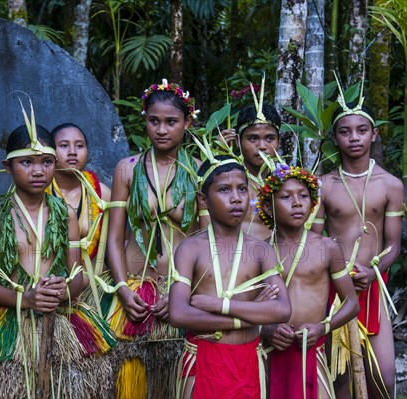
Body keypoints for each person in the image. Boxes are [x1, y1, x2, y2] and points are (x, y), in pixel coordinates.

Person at [0, 110, 116, 398]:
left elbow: (79, 277)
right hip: (10, 317)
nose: (38, 171)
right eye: (27, 162)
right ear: (8, 167)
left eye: (46, 162)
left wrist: (63, 290)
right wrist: (26, 299)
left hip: (60, 317)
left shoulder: (67, 216)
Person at [106, 79, 205, 398]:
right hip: (136, 289)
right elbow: (115, 238)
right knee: (132, 380)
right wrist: (122, 288)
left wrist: (183, 294)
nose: (162, 129)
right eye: (154, 121)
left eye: (171, 122)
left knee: (177, 380)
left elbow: (207, 242)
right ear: (145, 120)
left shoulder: (200, 171)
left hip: (182, 291)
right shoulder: (128, 170)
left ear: (187, 123)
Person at [169, 155, 291, 399]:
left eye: (242, 189)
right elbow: (178, 313)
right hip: (203, 358)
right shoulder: (191, 249)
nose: (236, 198)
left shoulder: (261, 250)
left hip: (248, 360)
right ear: (203, 199)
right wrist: (250, 315)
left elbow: (282, 310)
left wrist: (221, 305)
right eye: (224, 190)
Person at [313, 97, 404, 398]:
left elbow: (393, 246)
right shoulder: (323, 185)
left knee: (383, 377)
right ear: (334, 137)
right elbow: (314, 240)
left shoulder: (390, 184)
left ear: (374, 134)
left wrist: (373, 268)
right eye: (345, 131)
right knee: (338, 376)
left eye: (362, 130)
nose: (354, 138)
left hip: (372, 285)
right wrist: (335, 271)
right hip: (334, 288)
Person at [256, 162, 359, 398]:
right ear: (268, 207)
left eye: (303, 195)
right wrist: (265, 329)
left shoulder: (327, 248)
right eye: (286, 197)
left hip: (311, 350)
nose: (297, 203)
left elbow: (352, 304)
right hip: (270, 351)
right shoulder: (259, 251)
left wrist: (321, 328)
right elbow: (247, 305)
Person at [219, 79, 282, 240]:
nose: (262, 146)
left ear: (279, 141)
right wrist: (217, 155)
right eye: (253, 139)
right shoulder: (226, 179)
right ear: (238, 141)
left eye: (269, 138)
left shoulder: (289, 180)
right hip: (235, 262)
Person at [47, 123, 111, 278]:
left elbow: (118, 244)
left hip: (95, 290)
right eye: (63, 145)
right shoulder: (37, 194)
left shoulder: (103, 194)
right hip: (50, 289)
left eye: (79, 146)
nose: (72, 152)